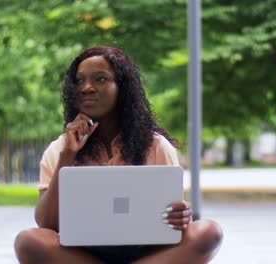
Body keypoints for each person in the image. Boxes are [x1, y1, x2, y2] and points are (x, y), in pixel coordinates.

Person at [14, 46, 223, 264]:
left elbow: (172, 221)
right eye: (79, 81)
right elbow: (46, 223)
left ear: (122, 88)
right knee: (28, 241)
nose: (86, 88)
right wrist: (67, 156)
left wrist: (181, 215)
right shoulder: (59, 149)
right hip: (82, 254)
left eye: (100, 79)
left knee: (209, 232)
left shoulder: (157, 146)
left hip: (147, 252)